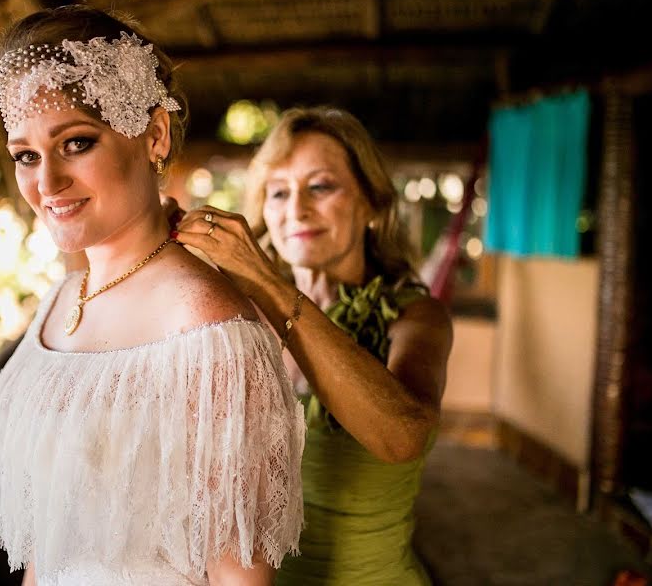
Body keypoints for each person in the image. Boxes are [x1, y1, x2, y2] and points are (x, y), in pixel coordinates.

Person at [0, 6, 305, 586]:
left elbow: (239, 575)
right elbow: (42, 550)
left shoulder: (208, 327)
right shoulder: (56, 304)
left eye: (75, 143)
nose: (46, 184)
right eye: (26, 154)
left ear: (153, 135)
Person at [174, 107, 453, 585]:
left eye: (320, 187)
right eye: (279, 192)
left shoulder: (413, 316)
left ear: (370, 203)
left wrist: (263, 278)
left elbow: (404, 437)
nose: (296, 210)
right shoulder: (239, 319)